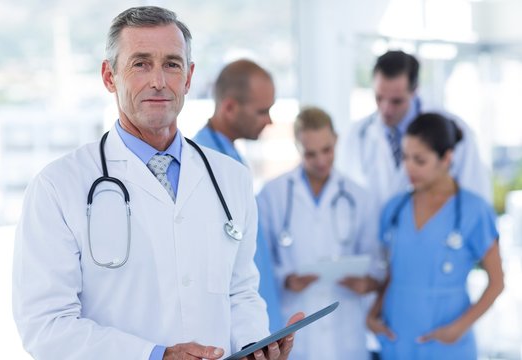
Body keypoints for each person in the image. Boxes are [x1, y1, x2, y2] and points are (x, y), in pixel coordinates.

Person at [12, 6, 303, 360]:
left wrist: (254, 346)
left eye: (172, 64)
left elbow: (241, 291)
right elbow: (45, 326)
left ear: (189, 77)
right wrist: (155, 355)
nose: (158, 81)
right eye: (140, 63)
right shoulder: (58, 186)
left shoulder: (231, 179)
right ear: (109, 76)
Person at [366, 113, 504, 359]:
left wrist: (458, 329)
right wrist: (372, 314)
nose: (409, 167)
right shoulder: (395, 208)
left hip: (446, 344)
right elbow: (395, 271)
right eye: (405, 157)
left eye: (419, 160)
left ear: (446, 158)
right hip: (396, 339)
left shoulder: (474, 211)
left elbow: (497, 282)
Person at [257, 107, 385, 359]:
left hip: (346, 331)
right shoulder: (273, 195)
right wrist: (286, 279)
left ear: (336, 140)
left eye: (327, 150)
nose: (321, 161)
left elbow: (376, 260)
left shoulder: (360, 197)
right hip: (295, 327)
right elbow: (259, 262)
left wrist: (367, 282)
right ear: (297, 148)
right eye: (311, 154)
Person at [193, 59, 283, 332]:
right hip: (233, 331)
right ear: (230, 107)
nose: (269, 120)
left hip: (255, 322)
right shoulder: (201, 166)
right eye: (262, 111)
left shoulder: (231, 157)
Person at [340, 50, 491, 210]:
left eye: (396, 101)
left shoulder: (453, 131)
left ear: (415, 90)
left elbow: (476, 196)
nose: (386, 109)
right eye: (379, 98)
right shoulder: (359, 135)